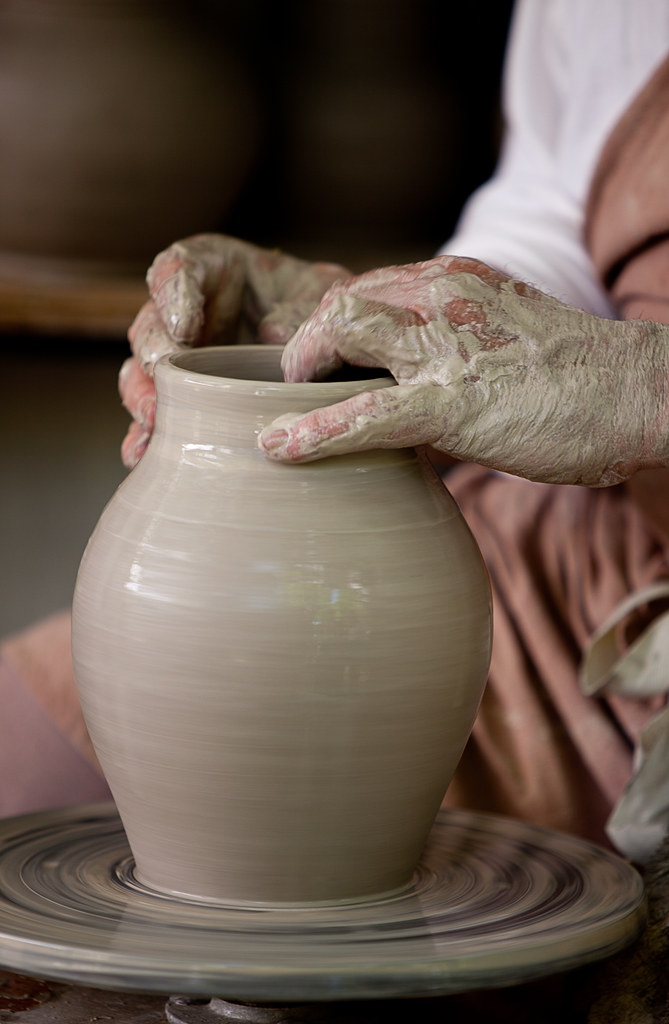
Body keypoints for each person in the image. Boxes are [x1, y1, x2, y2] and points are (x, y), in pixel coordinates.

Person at [2, 0, 669, 864]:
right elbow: (552, 209)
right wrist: (384, 330)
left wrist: (641, 386)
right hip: (592, 563)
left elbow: (619, 376)